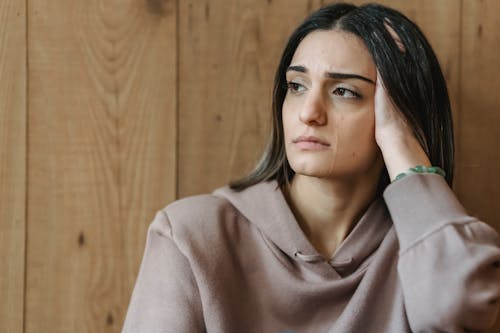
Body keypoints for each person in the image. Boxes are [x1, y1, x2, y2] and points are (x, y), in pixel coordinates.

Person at [122, 3, 500, 332]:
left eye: (344, 92)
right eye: (297, 86)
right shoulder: (192, 236)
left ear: (397, 114)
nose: (309, 113)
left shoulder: (426, 248)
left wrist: (402, 146)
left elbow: (461, 307)